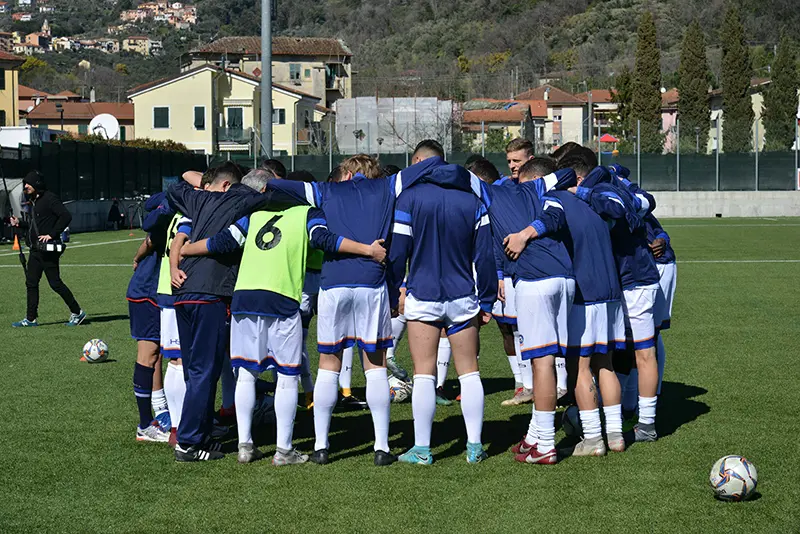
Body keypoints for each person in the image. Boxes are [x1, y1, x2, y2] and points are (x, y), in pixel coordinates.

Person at [180, 168, 388, 465]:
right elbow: (326, 240)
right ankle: (284, 450)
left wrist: (187, 250)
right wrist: (367, 250)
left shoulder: (253, 215)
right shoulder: (307, 213)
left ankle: (244, 445)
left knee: (247, 375)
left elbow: (221, 242)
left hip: (245, 298)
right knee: (287, 375)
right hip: (282, 298)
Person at [239, 152, 431, 466]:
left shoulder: (326, 191)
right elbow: (429, 165)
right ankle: (381, 447)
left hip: (333, 284)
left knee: (329, 365)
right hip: (372, 284)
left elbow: (275, 183)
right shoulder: (387, 187)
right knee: (375, 366)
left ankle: (321, 446)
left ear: (346, 172)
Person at [506, 157, 625, 455]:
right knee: (605, 363)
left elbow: (547, 232)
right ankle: (616, 435)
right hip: (610, 289)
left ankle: (594, 439)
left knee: (580, 367)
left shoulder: (551, 202)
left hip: (584, 291)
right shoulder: (589, 201)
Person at [389, 141, 497, 465]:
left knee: (424, 374)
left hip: (423, 295)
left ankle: (422, 449)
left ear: (421, 163)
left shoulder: (409, 197)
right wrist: (488, 299)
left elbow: (398, 253)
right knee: (470, 373)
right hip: (464, 296)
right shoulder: (473, 199)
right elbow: (486, 257)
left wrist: (395, 287)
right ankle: (475, 447)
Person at [560, 149, 661, 443]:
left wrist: (588, 191)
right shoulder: (607, 183)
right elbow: (643, 202)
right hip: (620, 282)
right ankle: (619, 418)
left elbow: (623, 206)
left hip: (635, 280)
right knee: (612, 355)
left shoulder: (601, 188)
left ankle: (646, 423)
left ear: (578, 177)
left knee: (642, 352)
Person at [466, 156, 534, 407]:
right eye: (509, 160)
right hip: (499, 271)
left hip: (518, 271)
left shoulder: (505, 193)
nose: (513, 165)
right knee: (505, 326)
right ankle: (521, 383)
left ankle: (539, 384)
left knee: (522, 328)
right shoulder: (488, 199)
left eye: (517, 160)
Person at [11, 171, 86, 328]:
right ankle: (31, 319)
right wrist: (20, 223)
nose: (26, 187)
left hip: (47, 250)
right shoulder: (35, 202)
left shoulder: (50, 198)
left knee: (55, 283)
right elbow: (34, 225)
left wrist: (51, 234)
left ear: (37, 184)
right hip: (35, 250)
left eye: (28, 183)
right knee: (31, 283)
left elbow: (66, 216)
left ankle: (78, 312)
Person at [128, 194, 172, 443]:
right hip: (148, 292)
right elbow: (149, 240)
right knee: (149, 353)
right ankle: (145, 425)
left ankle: (160, 409)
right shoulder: (162, 221)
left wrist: (137, 257)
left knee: (156, 352)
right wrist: (137, 257)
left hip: (154, 291)